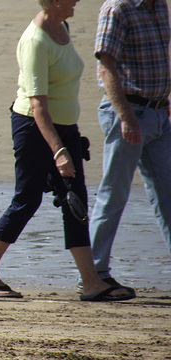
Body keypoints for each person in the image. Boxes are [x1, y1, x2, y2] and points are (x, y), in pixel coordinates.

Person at [0, 0, 134, 301]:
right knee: (27, 199)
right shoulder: (35, 41)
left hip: (64, 128)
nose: (77, 1)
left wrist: (70, 137)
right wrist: (59, 152)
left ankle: (91, 282)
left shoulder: (63, 27)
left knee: (76, 202)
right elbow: (38, 105)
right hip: (34, 128)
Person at [88, 0, 171, 296]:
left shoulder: (160, 5)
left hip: (160, 113)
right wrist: (126, 116)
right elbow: (105, 67)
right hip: (127, 113)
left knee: (168, 194)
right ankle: (95, 275)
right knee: (114, 193)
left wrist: (164, 104)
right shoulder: (117, 8)